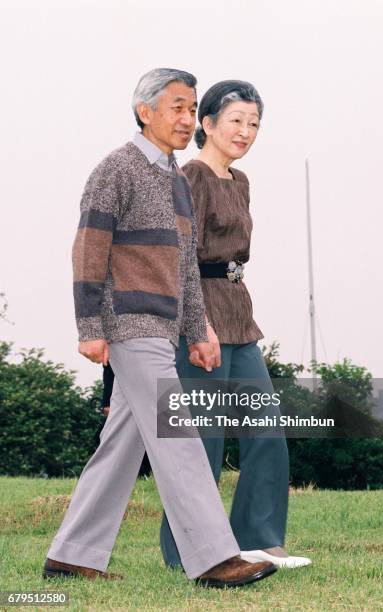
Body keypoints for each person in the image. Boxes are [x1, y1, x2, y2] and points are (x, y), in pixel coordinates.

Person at [42, 68, 277, 588]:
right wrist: (88, 325)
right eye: (177, 107)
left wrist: (199, 330)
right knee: (180, 437)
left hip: (165, 325)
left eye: (190, 108)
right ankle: (215, 557)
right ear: (144, 111)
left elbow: (186, 268)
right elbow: (88, 250)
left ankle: (72, 554)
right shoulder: (116, 170)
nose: (186, 118)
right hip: (128, 324)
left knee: (122, 443)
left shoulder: (174, 178)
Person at [160, 80, 311, 569]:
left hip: (239, 317)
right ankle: (192, 551)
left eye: (254, 123)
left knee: (267, 432)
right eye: (236, 121)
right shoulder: (190, 178)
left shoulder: (240, 181)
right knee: (201, 441)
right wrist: (196, 323)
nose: (246, 132)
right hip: (196, 319)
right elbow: (180, 256)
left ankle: (261, 541)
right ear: (206, 124)